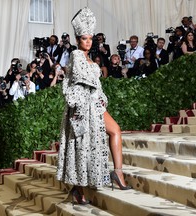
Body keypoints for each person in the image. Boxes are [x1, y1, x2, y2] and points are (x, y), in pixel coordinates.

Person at [57, 7, 131, 205]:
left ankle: (118, 173)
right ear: (78, 40)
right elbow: (82, 79)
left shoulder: (91, 60)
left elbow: (96, 85)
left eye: (90, 39)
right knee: (80, 145)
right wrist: (94, 76)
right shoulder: (76, 55)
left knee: (115, 130)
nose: (88, 42)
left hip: (95, 106)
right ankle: (78, 189)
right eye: (84, 38)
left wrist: (101, 97)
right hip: (82, 107)